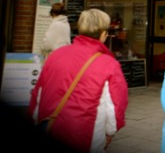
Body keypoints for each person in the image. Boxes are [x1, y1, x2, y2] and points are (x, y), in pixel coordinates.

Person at [28, 9, 128, 153]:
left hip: (51, 126)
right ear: (103, 34)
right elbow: (115, 104)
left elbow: (38, 94)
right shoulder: (108, 64)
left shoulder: (56, 55)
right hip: (87, 136)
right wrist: (110, 131)